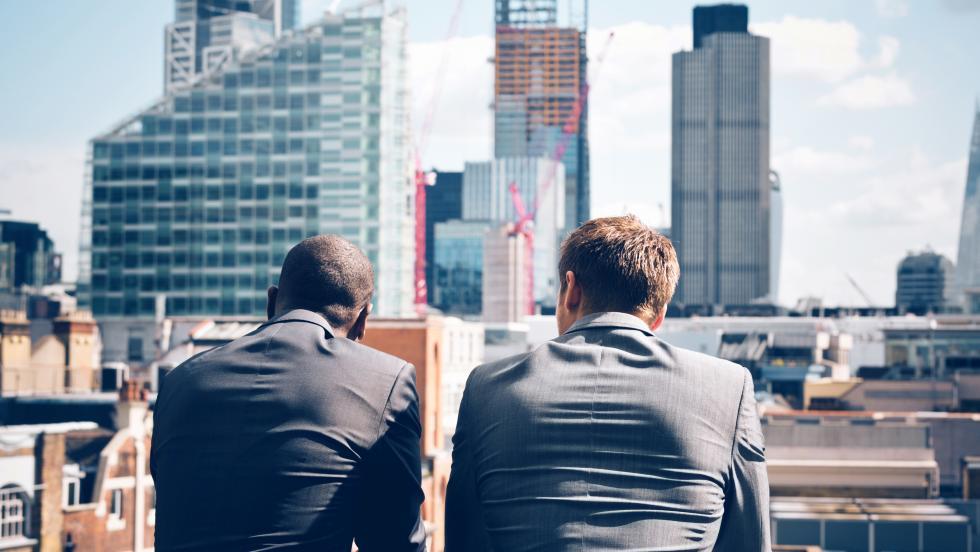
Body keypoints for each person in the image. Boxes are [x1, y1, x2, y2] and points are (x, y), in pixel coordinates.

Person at [446, 215, 770, 551]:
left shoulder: (487, 389)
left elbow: (463, 539)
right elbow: (750, 542)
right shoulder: (728, 388)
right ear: (659, 315)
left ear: (571, 290)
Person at [151, 235, 426, 551]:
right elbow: (395, 542)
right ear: (363, 320)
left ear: (272, 301)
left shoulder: (180, 381)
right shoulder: (385, 382)